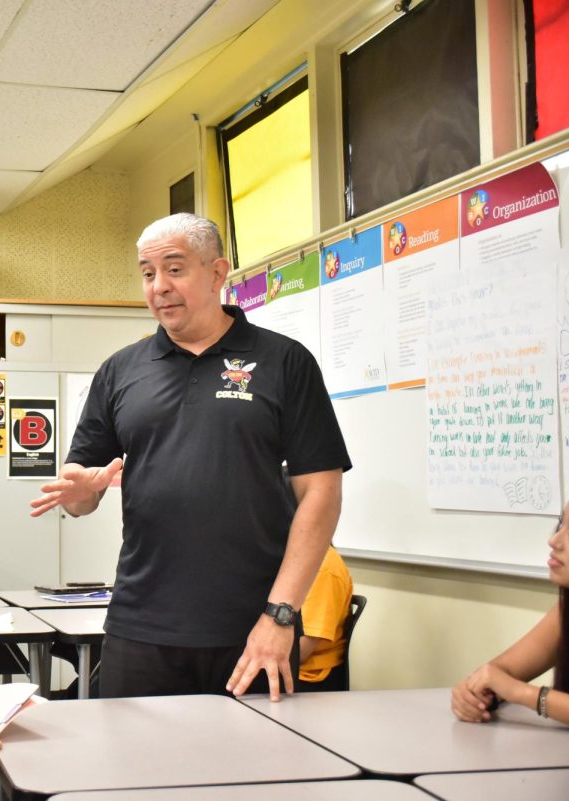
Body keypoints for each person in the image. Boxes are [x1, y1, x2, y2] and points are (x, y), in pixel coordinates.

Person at [30, 213, 351, 701]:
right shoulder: (120, 372)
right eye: (147, 273)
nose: (159, 286)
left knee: (262, 775)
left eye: (174, 269)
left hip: (252, 629)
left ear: (218, 273)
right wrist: (79, 494)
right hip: (140, 628)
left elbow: (321, 492)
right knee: (134, 773)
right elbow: (79, 495)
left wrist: (280, 615)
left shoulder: (285, 362)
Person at [452, 481, 569, 735]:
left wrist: (524, 694)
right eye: (561, 524)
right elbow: (499, 673)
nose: (554, 540)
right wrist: (471, 693)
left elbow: (511, 685)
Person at [296, 545, 354, 692]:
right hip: (286, 665)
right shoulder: (288, 559)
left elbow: (301, 651)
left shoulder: (323, 567)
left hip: (306, 675)